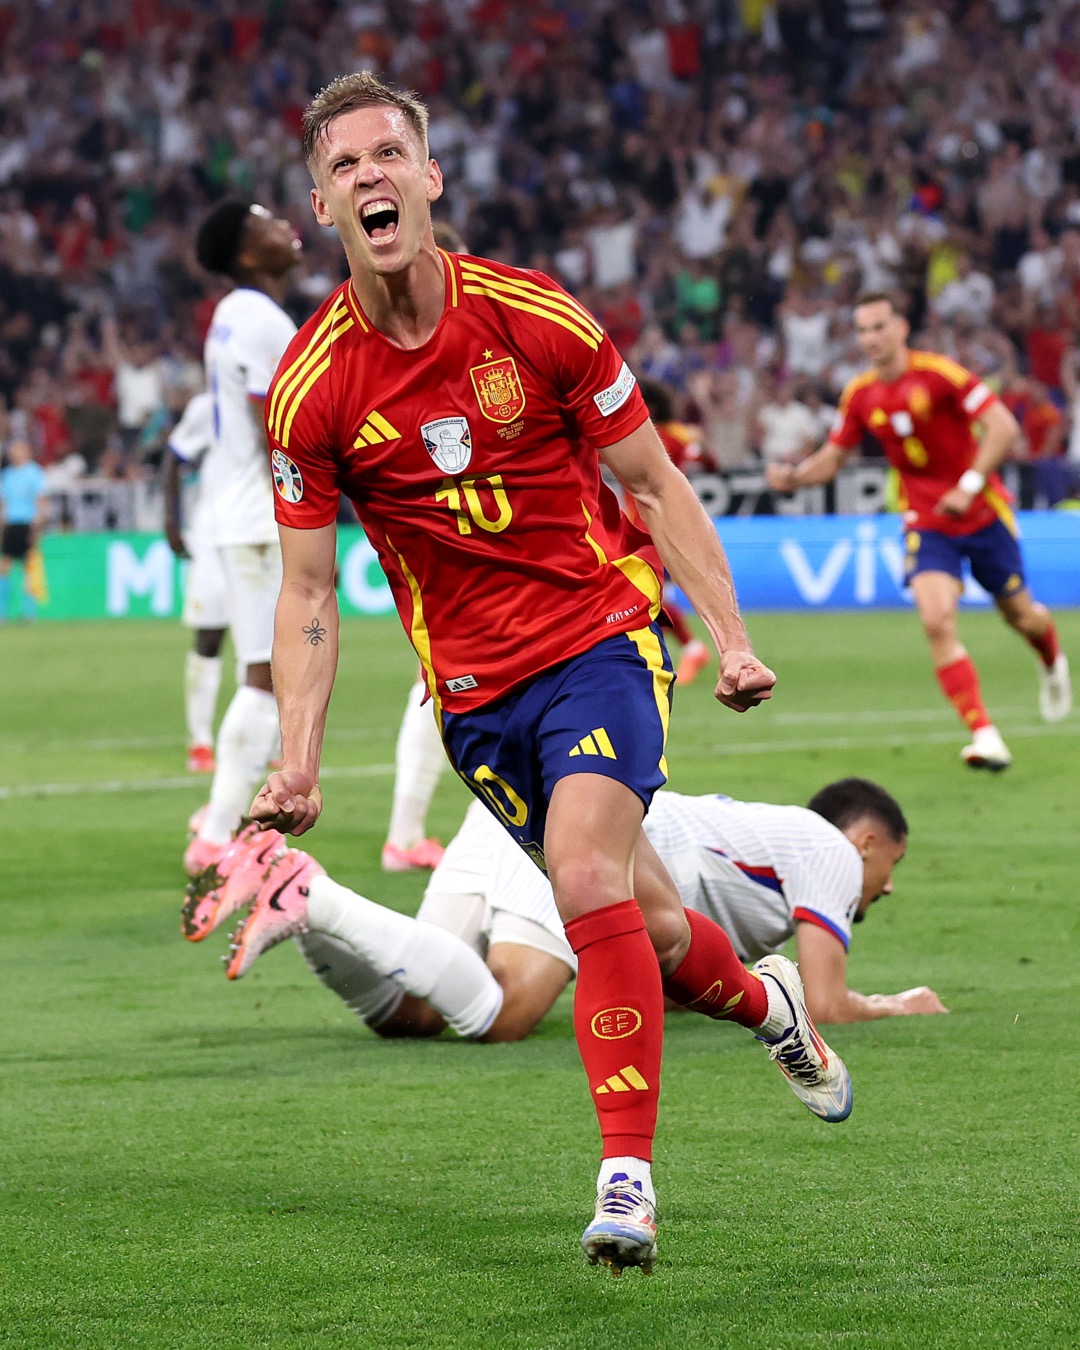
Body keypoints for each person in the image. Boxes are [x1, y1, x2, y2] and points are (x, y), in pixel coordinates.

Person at [237, 72, 848, 1277]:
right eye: (346, 166)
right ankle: (772, 1006)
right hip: (473, 700)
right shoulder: (312, 391)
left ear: (431, 178)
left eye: (389, 155)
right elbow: (308, 592)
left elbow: (653, 485)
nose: (372, 176)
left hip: (598, 640)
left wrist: (727, 635)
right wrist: (298, 760)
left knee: (581, 878)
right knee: (658, 926)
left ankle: (627, 1182)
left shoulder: (538, 318)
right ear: (322, 206)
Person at [184, 777, 945, 1041]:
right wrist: (899, 1005)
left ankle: (302, 901)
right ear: (870, 839)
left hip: (516, 807)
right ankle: (310, 891)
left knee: (410, 1013)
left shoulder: (776, 847)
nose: (885, 885)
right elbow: (826, 1006)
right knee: (507, 1012)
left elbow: (676, 974)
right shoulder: (832, 853)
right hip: (587, 838)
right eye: (892, 865)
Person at [766, 292, 1072, 770]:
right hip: (927, 522)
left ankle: (1051, 657)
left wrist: (969, 486)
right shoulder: (860, 394)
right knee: (936, 620)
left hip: (983, 513)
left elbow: (1003, 428)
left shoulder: (941, 375)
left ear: (902, 328)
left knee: (1021, 615)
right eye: (863, 330)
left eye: (879, 327)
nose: (871, 338)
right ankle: (985, 734)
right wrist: (793, 477)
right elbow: (833, 458)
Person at [182, 199, 302, 875]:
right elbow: (275, 426)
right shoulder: (262, 321)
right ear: (250, 254)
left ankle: (222, 813)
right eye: (267, 224)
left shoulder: (231, 313)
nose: (286, 226)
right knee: (265, 675)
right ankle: (219, 836)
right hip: (261, 517)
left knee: (260, 670)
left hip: (237, 513)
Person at [163, 390, 229, 774]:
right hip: (213, 535)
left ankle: (270, 740)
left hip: (270, 532)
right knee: (208, 636)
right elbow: (173, 457)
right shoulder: (209, 407)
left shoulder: (292, 398)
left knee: (274, 642)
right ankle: (201, 741)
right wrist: (170, 520)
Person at [0, 438, 49, 623]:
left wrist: (37, 528)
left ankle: (29, 613)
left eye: (19, 449)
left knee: (30, 568)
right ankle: (2, 613)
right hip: (11, 525)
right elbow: (3, 505)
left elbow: (41, 503)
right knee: (4, 567)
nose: (15, 453)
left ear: (27, 452)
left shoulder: (34, 473)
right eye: (13, 450)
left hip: (28, 524)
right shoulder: (6, 475)